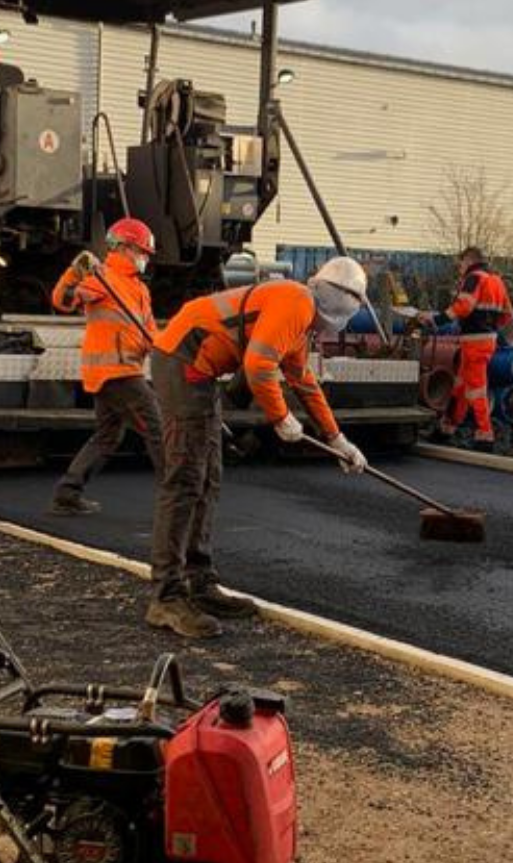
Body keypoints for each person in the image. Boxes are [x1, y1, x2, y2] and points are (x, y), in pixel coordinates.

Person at [145, 257, 370, 639]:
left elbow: (303, 381)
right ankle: (166, 596)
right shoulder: (296, 302)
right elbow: (259, 365)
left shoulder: (299, 319)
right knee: (186, 479)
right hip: (182, 360)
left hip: (199, 369)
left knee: (209, 479)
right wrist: (280, 418)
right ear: (336, 310)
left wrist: (337, 440)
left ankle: (199, 582)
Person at [49, 218, 165, 515]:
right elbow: (62, 301)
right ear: (125, 248)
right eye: (141, 252)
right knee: (157, 427)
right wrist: (74, 272)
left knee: (108, 436)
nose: (145, 259)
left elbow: (150, 331)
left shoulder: (138, 289)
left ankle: (67, 493)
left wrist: (169, 353)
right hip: (116, 372)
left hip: (121, 371)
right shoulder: (102, 278)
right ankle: (178, 492)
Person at [425, 247, 513, 449]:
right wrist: (490, 329)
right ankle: (447, 428)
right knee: (461, 385)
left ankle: (485, 435)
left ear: (469, 260)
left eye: (461, 263)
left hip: (474, 341)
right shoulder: (497, 281)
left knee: (476, 389)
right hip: (486, 340)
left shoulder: (474, 278)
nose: (460, 267)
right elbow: (508, 315)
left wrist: (435, 319)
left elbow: (463, 307)